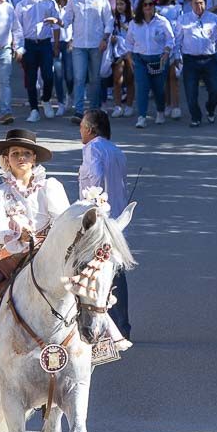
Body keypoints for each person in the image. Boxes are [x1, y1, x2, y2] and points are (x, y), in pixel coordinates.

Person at [0, 129, 129, 364]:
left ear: (34, 159)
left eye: (26, 154)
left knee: (80, 277)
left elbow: (62, 220)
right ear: (6, 159)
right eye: (15, 153)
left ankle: (98, 335)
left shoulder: (50, 186)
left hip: (47, 250)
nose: (21, 158)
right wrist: (16, 234)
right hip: (9, 252)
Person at [79, 110, 131, 338]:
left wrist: (91, 205)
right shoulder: (117, 151)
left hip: (99, 219)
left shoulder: (93, 148)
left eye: (82, 126)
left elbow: (95, 177)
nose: (80, 130)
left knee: (90, 269)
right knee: (114, 270)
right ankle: (121, 326)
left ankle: (97, 327)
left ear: (90, 129)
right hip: (117, 219)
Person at [64, 0, 114, 123]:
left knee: (95, 79)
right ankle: (79, 111)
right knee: (79, 78)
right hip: (79, 44)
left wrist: (105, 38)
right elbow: (67, 19)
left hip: (96, 44)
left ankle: (93, 111)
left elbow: (109, 20)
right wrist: (59, 23)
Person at [173, 0, 217, 128]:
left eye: (201, 3)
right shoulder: (183, 19)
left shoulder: (214, 18)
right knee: (191, 92)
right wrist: (177, 56)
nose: (199, 6)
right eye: (195, 3)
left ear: (206, 3)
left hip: (210, 59)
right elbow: (177, 40)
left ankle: (210, 108)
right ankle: (195, 117)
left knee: (215, 89)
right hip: (190, 60)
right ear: (191, 4)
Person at [16, 0, 60, 123]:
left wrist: (56, 44)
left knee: (48, 75)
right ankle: (34, 109)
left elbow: (56, 24)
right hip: (29, 44)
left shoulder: (50, 2)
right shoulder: (21, 5)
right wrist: (18, 48)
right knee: (31, 78)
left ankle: (46, 99)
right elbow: (17, 29)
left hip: (45, 43)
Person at [126, 0, 174, 129]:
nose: (148, 7)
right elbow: (129, 42)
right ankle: (142, 117)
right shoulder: (134, 23)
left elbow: (170, 39)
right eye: (145, 5)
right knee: (142, 87)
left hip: (158, 59)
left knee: (159, 88)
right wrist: (129, 56)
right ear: (141, 7)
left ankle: (160, 111)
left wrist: (167, 51)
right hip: (140, 59)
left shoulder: (162, 21)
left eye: (150, 4)